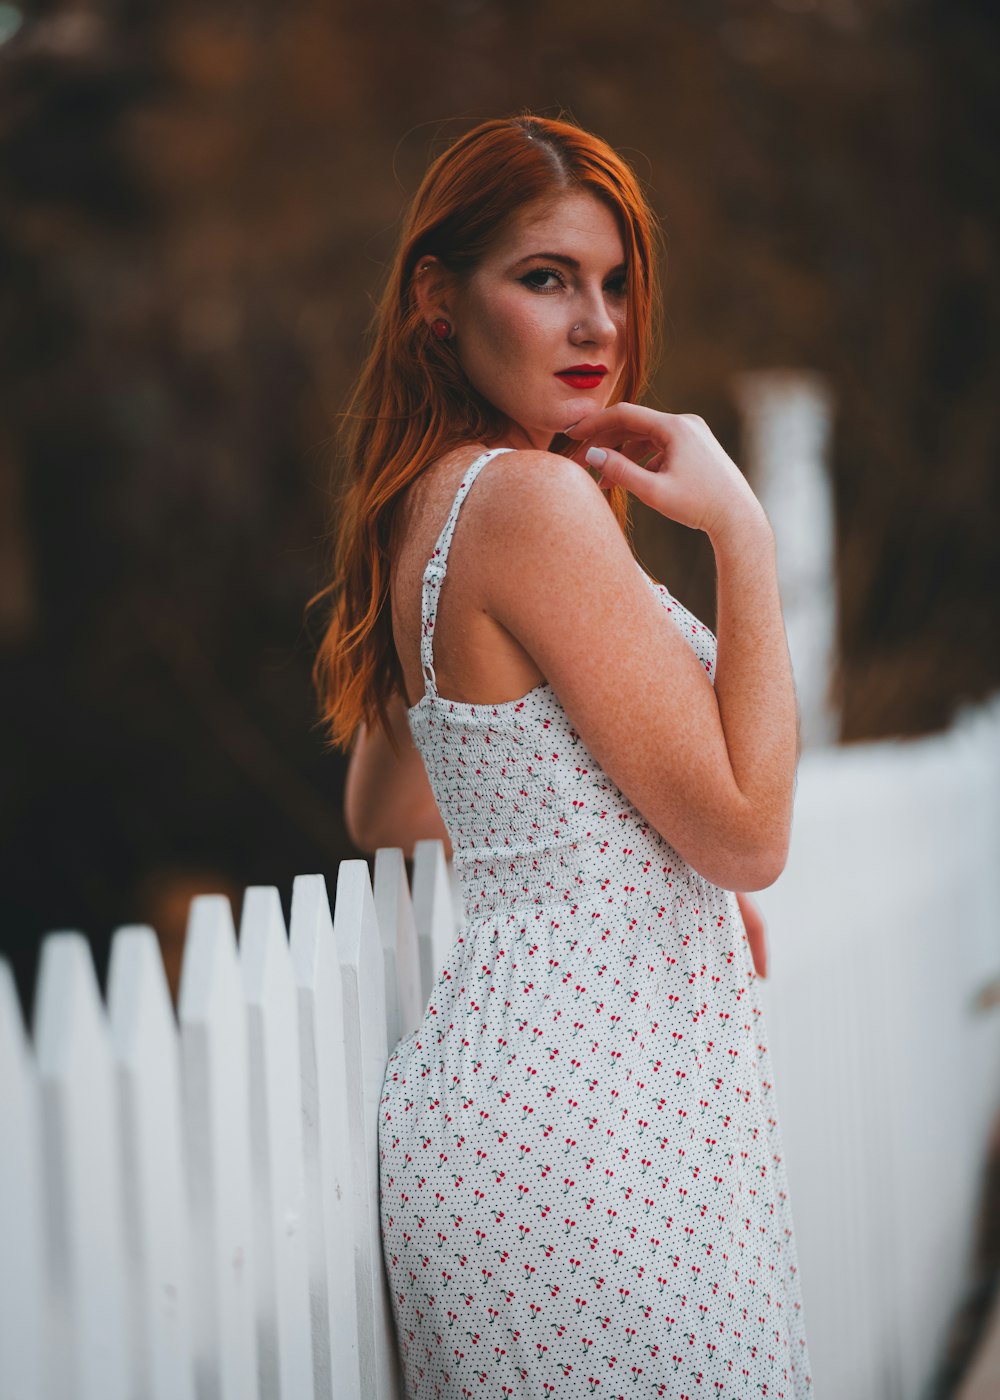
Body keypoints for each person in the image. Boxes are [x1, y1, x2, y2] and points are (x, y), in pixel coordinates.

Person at [315, 113, 813, 1397]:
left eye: (612, 282)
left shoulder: (431, 497)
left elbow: (390, 802)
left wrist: (645, 879)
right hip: (593, 1145)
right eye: (545, 278)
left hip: (537, 1118)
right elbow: (751, 831)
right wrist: (739, 531)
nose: (596, 323)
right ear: (439, 299)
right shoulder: (530, 502)